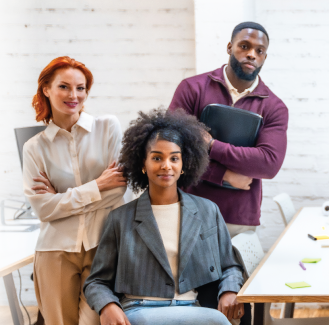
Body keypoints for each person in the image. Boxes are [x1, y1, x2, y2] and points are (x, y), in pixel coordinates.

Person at [84, 109, 245, 325]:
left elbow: (230, 265)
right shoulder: (120, 219)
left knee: (218, 321)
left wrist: (229, 290)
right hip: (138, 310)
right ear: (143, 164)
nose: (166, 165)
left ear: (184, 164)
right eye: (157, 158)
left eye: (174, 158)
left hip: (192, 309)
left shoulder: (208, 211)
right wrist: (107, 305)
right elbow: (96, 281)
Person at [22, 56, 129, 325]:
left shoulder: (107, 128)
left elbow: (118, 191)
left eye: (81, 88)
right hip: (54, 251)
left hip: (102, 246)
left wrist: (61, 199)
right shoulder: (34, 148)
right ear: (46, 89)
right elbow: (44, 210)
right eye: (64, 87)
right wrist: (97, 186)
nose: (74, 95)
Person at [168, 21, 288, 236]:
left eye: (259, 51)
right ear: (229, 47)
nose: (251, 54)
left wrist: (211, 145)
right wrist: (224, 175)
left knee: (236, 271)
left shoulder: (274, 107)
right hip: (189, 210)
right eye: (244, 46)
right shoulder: (192, 88)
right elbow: (172, 152)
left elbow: (268, 163)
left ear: (264, 58)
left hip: (239, 218)